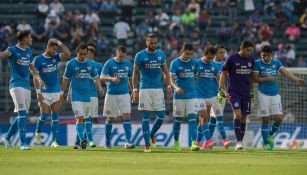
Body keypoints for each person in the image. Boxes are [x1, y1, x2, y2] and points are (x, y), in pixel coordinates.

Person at [253, 45, 304, 150]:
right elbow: (255, 79)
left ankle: (271, 134)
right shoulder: (257, 63)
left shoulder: (276, 62)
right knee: (265, 119)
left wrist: (296, 79)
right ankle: (266, 143)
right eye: (263, 56)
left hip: (275, 94)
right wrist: (268, 78)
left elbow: (285, 73)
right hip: (263, 94)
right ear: (260, 55)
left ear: (271, 55)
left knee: (279, 118)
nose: (265, 58)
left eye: (267, 56)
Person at [0, 30, 46, 150]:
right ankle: (23, 143)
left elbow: (32, 69)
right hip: (16, 85)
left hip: (26, 86)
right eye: (29, 37)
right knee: (21, 113)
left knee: (23, 115)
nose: (31, 39)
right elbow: (3, 55)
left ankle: (8, 137)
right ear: (24, 38)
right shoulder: (12, 49)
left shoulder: (29, 51)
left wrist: (39, 79)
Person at [132, 33, 172, 152]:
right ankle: (147, 145)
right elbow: (135, 74)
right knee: (146, 117)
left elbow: (166, 72)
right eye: (151, 42)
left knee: (161, 116)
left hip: (158, 89)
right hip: (144, 89)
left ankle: (151, 135)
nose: (153, 44)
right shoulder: (140, 55)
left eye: (155, 42)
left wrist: (169, 86)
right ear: (146, 42)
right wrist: (135, 90)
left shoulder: (161, 54)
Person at [61, 43, 104, 150]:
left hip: (87, 96)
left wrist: (100, 88)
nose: (83, 56)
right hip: (76, 96)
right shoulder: (71, 64)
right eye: (81, 54)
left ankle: (79, 141)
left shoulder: (90, 64)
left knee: (85, 119)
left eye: (85, 54)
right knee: (79, 118)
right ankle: (83, 139)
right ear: (77, 53)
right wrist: (62, 93)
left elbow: (96, 77)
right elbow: (66, 80)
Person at [34, 38, 71, 147]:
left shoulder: (55, 57)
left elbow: (68, 54)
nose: (55, 51)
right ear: (48, 46)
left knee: (55, 116)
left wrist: (59, 42)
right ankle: (38, 131)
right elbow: (35, 77)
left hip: (55, 91)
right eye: (53, 49)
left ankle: (54, 141)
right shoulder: (38, 59)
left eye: (56, 49)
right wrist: (38, 92)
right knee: (44, 116)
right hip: (44, 92)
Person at [218, 40, 255, 150]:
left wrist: (252, 91)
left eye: (250, 51)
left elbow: (251, 76)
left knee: (244, 118)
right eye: (247, 50)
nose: (249, 53)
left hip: (246, 92)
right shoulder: (231, 58)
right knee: (237, 114)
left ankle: (240, 142)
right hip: (234, 92)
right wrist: (223, 89)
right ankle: (238, 142)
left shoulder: (251, 60)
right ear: (242, 48)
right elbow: (223, 74)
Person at [100, 46, 135, 149]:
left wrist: (133, 90)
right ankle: (107, 142)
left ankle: (128, 142)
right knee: (110, 118)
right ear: (116, 53)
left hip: (124, 94)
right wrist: (111, 78)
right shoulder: (109, 63)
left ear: (125, 55)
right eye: (119, 56)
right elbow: (101, 77)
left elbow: (130, 78)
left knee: (127, 116)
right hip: (111, 94)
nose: (121, 59)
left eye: (123, 57)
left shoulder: (128, 63)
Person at [169, 43, 199, 151]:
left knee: (192, 119)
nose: (188, 56)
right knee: (178, 120)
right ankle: (176, 142)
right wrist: (176, 88)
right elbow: (171, 79)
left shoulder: (194, 62)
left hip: (192, 95)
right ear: (182, 51)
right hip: (179, 96)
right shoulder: (175, 63)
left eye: (190, 54)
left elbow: (195, 76)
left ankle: (194, 143)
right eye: (187, 53)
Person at [72, 43, 103, 148]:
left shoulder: (98, 66)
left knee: (88, 119)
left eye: (91, 53)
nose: (89, 54)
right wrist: (68, 94)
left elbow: (100, 78)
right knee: (82, 119)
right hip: (81, 95)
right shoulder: (78, 64)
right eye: (88, 52)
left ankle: (78, 142)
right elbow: (73, 80)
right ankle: (90, 140)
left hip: (93, 95)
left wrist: (101, 87)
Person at [207, 44, 231, 149]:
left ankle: (206, 143)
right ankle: (225, 140)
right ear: (215, 53)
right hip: (210, 95)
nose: (222, 54)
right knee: (218, 118)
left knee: (213, 120)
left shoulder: (225, 65)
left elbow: (227, 80)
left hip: (221, 95)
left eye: (223, 53)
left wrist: (225, 92)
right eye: (220, 53)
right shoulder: (209, 63)